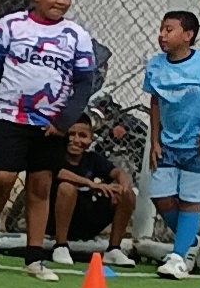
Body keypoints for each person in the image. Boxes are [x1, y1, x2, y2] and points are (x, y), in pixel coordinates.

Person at [0, 0, 101, 279]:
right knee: (3, 177)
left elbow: (84, 83)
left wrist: (64, 120)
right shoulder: (10, 25)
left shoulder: (77, 36)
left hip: (51, 124)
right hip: (11, 116)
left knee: (41, 186)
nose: (61, 2)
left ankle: (34, 257)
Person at [140, 9, 200, 279]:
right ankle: (191, 241)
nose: (162, 35)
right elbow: (155, 102)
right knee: (160, 196)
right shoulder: (155, 66)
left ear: (188, 35)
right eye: (161, 29)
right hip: (168, 145)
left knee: (191, 202)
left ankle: (179, 257)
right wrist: (155, 140)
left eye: (169, 30)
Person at [53, 110, 143, 267]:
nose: (76, 140)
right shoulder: (55, 156)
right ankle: (60, 246)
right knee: (67, 188)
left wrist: (123, 182)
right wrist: (92, 184)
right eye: (71, 134)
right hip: (55, 222)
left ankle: (113, 249)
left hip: (88, 220)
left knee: (126, 193)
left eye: (82, 136)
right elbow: (59, 172)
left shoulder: (93, 159)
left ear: (90, 140)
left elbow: (118, 172)